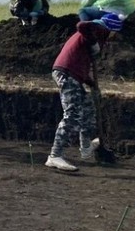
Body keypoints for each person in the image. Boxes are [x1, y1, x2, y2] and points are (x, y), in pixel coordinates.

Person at [45, 13, 121, 171]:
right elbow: (81, 25)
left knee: (88, 109)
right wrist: (93, 42)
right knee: (72, 114)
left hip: (75, 75)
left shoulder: (97, 35)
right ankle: (54, 156)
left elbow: (80, 63)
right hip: (66, 73)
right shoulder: (94, 29)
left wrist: (90, 83)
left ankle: (86, 148)